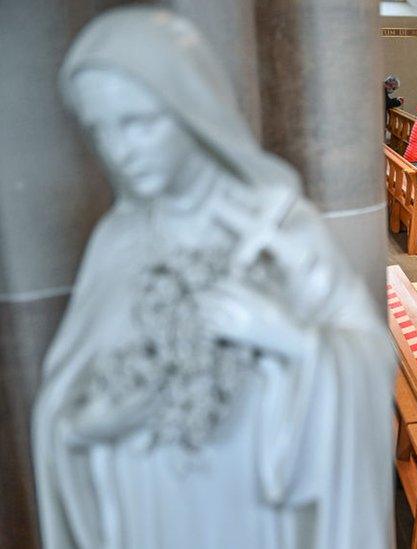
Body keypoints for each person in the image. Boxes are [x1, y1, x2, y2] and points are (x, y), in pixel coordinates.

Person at [33, 7, 393, 548]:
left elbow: (367, 356)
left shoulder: (277, 224)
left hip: (250, 518)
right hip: (146, 516)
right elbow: (66, 403)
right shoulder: (117, 239)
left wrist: (287, 339)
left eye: (137, 122)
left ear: (191, 110)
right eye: (100, 129)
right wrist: (85, 426)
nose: (119, 150)